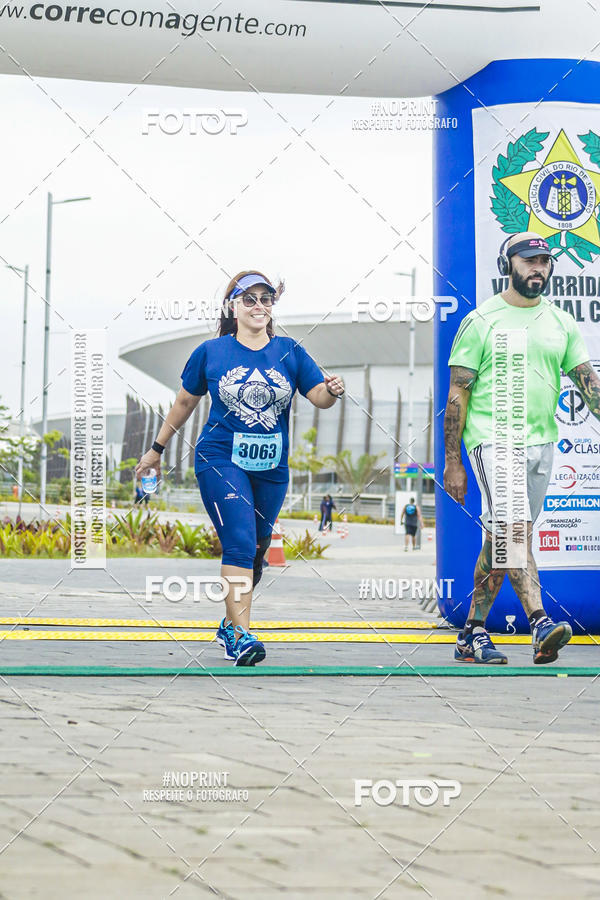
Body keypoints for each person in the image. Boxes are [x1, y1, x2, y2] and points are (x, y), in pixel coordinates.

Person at [136, 270, 345, 666]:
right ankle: (240, 634)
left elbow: (317, 395)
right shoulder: (211, 353)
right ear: (232, 307)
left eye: (266, 299)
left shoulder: (289, 351)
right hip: (220, 459)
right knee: (240, 542)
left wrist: (331, 392)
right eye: (249, 299)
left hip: (271, 466)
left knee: (257, 552)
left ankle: (229, 623)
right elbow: (184, 403)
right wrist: (155, 450)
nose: (258, 306)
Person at [444, 231, 600, 665]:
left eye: (545, 261)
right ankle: (540, 622)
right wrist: (453, 461)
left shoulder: (560, 322)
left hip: (540, 441)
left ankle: (471, 633)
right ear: (507, 265)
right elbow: (457, 394)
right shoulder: (481, 321)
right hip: (493, 440)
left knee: (505, 538)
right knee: (513, 530)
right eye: (529, 260)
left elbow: (590, 387)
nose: (539, 268)